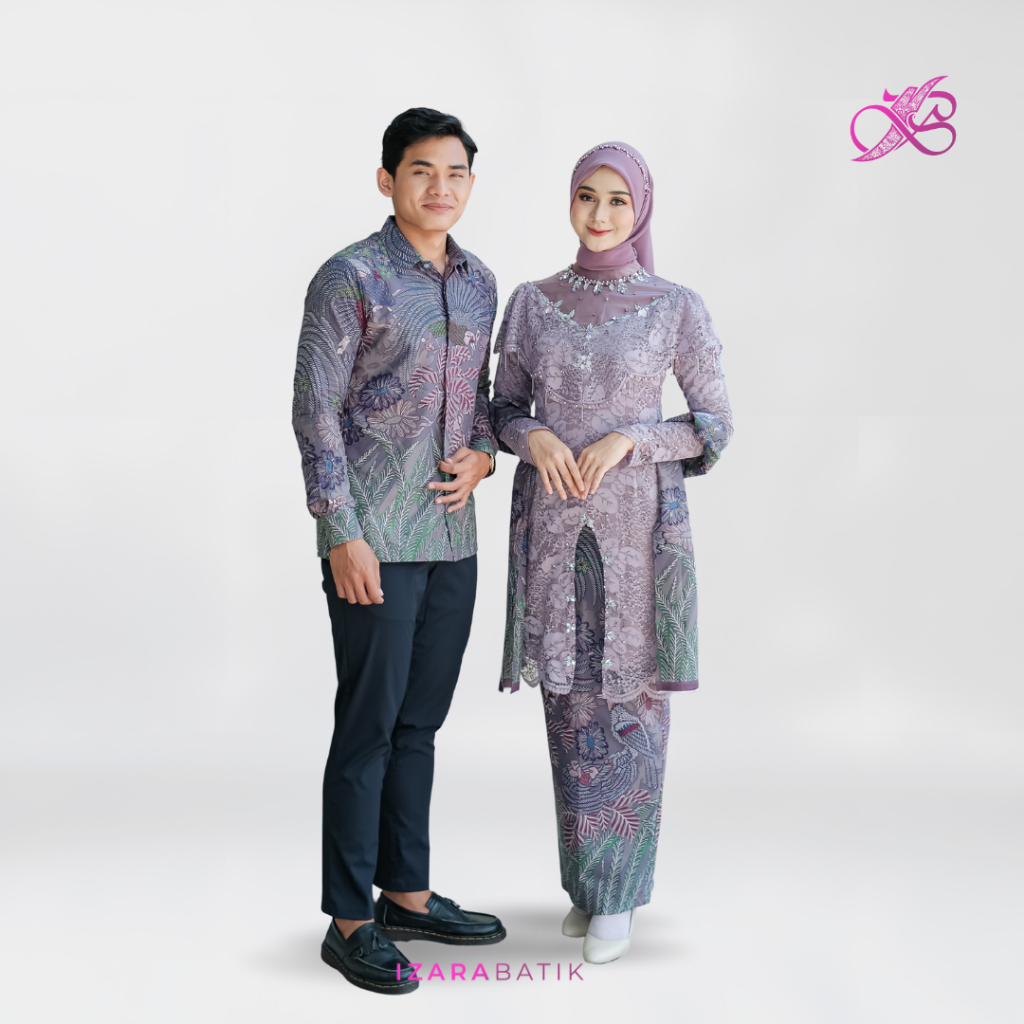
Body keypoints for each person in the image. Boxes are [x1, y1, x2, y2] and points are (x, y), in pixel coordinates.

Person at [490, 141, 733, 964]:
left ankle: (620, 894)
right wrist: (533, 436)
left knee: (631, 706)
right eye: (586, 196)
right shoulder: (532, 303)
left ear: (642, 209)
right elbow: (501, 410)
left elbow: (714, 424)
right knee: (568, 706)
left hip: (638, 538)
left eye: (617, 200)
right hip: (556, 532)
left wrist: (631, 439)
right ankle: (586, 885)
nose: (599, 214)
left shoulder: (676, 307)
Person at [292, 107, 506, 996]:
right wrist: (340, 531)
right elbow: (314, 411)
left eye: (455, 173)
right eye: (422, 171)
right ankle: (349, 920)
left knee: (420, 725)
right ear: (388, 180)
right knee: (368, 728)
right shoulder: (351, 277)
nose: (439, 188)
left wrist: (485, 452)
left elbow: (483, 395)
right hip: (374, 540)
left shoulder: (481, 282)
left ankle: (406, 895)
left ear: (470, 183)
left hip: (453, 539)